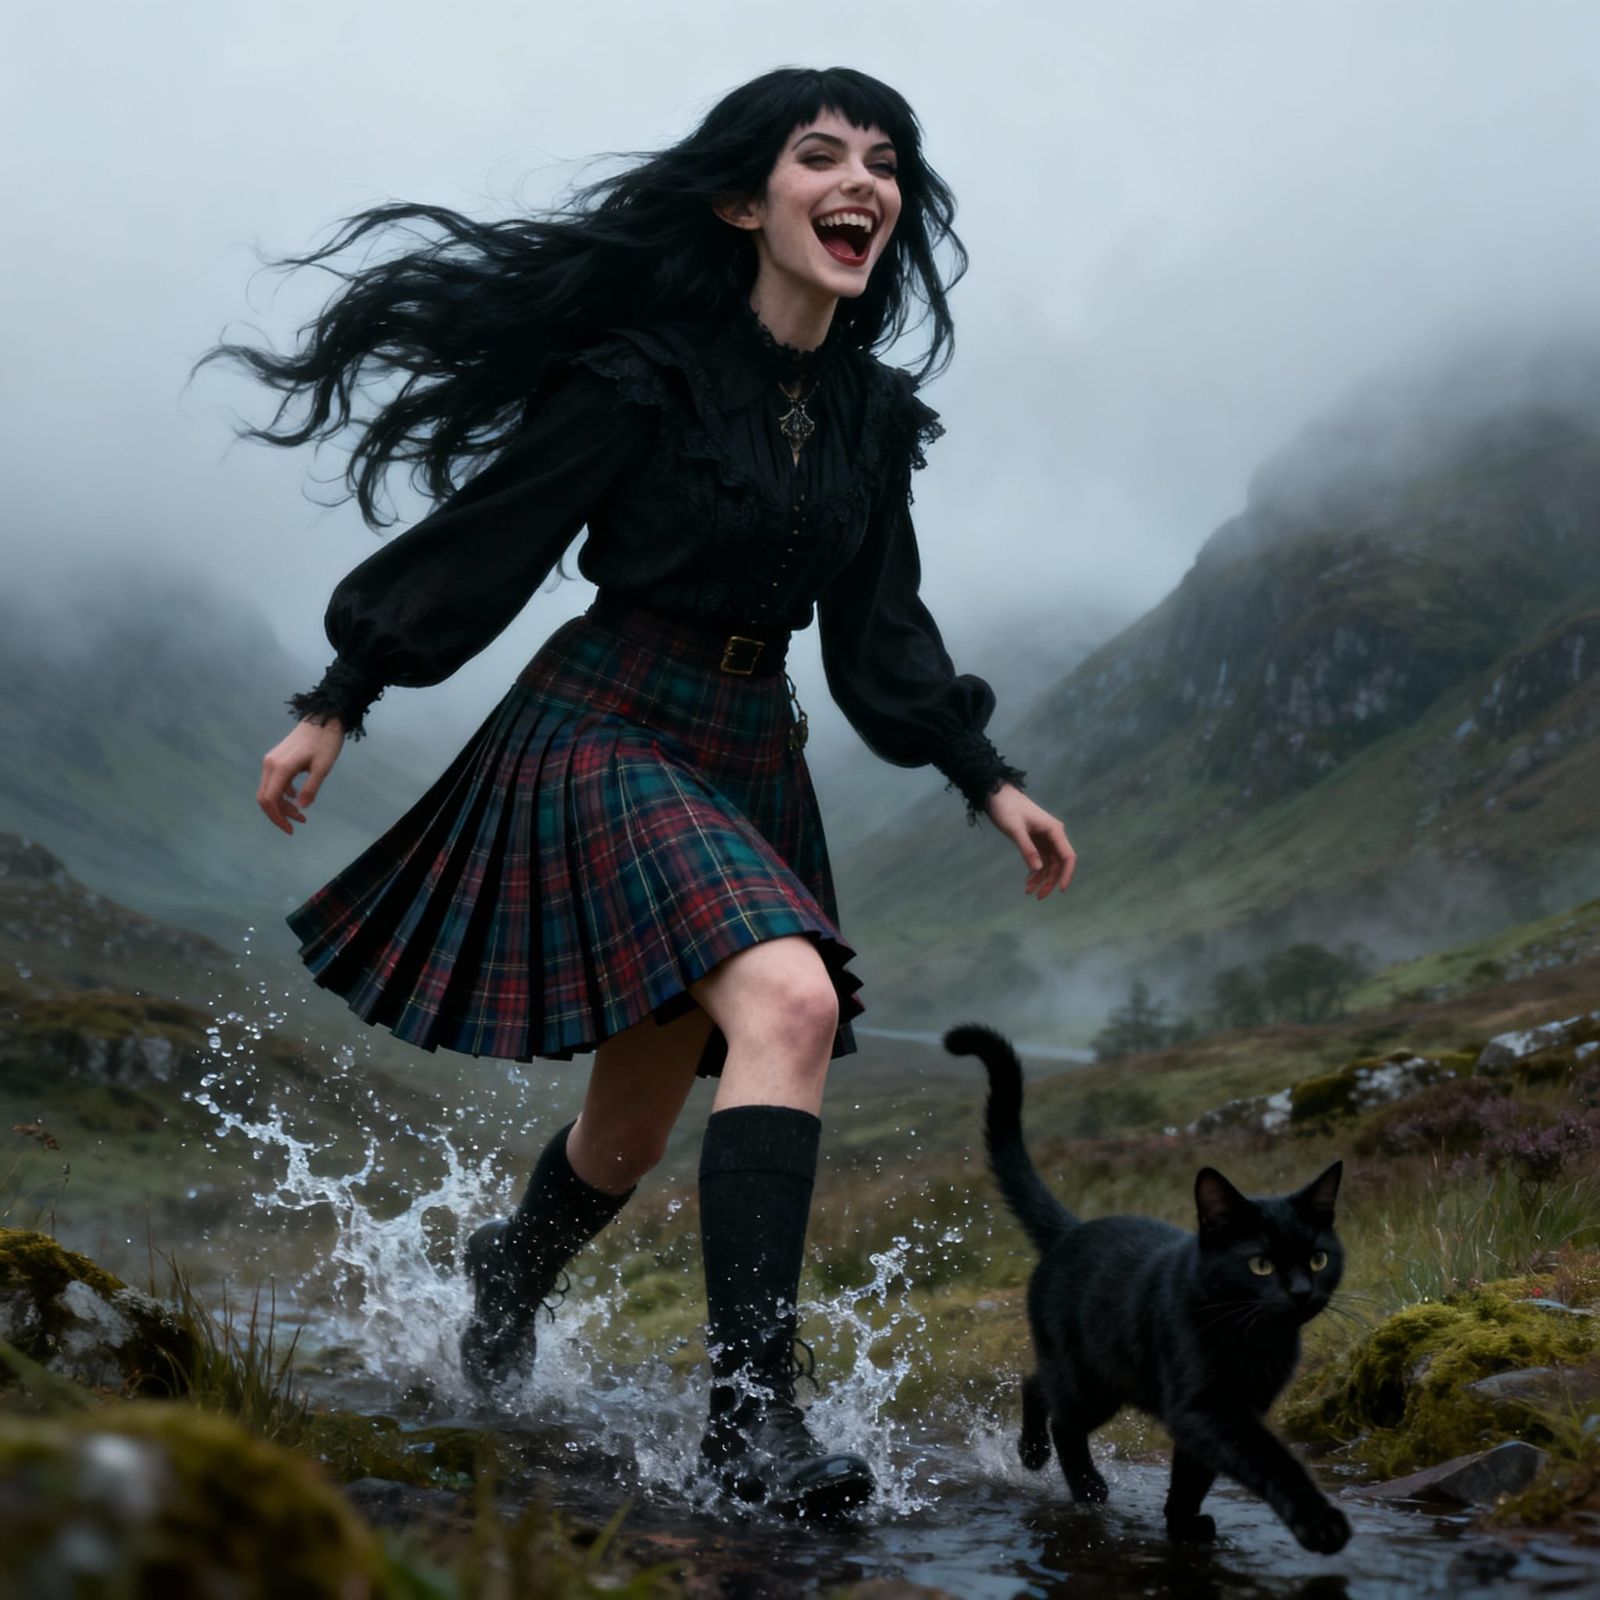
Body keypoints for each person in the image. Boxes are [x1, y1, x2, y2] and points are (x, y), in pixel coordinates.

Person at [226, 66, 1075, 1519]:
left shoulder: (871, 419)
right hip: (607, 717)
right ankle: (751, 1424)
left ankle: (509, 1270)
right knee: (792, 1005)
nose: (860, 179)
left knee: (624, 1135)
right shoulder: (644, 374)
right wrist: (341, 695)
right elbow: (493, 540)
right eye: (822, 155)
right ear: (750, 201)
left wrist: (982, 775)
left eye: (885, 160)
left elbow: (881, 632)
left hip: (752, 746)